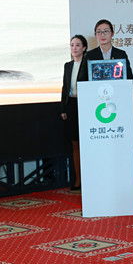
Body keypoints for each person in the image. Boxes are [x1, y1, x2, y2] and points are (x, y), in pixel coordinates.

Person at [60, 35, 87, 192]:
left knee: (86, 142)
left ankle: (88, 178)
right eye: (72, 45)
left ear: (84, 48)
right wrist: (63, 108)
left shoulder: (88, 64)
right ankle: (78, 180)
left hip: (85, 105)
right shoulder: (67, 65)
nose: (74, 48)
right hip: (71, 105)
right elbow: (65, 87)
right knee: (75, 143)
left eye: (77, 45)